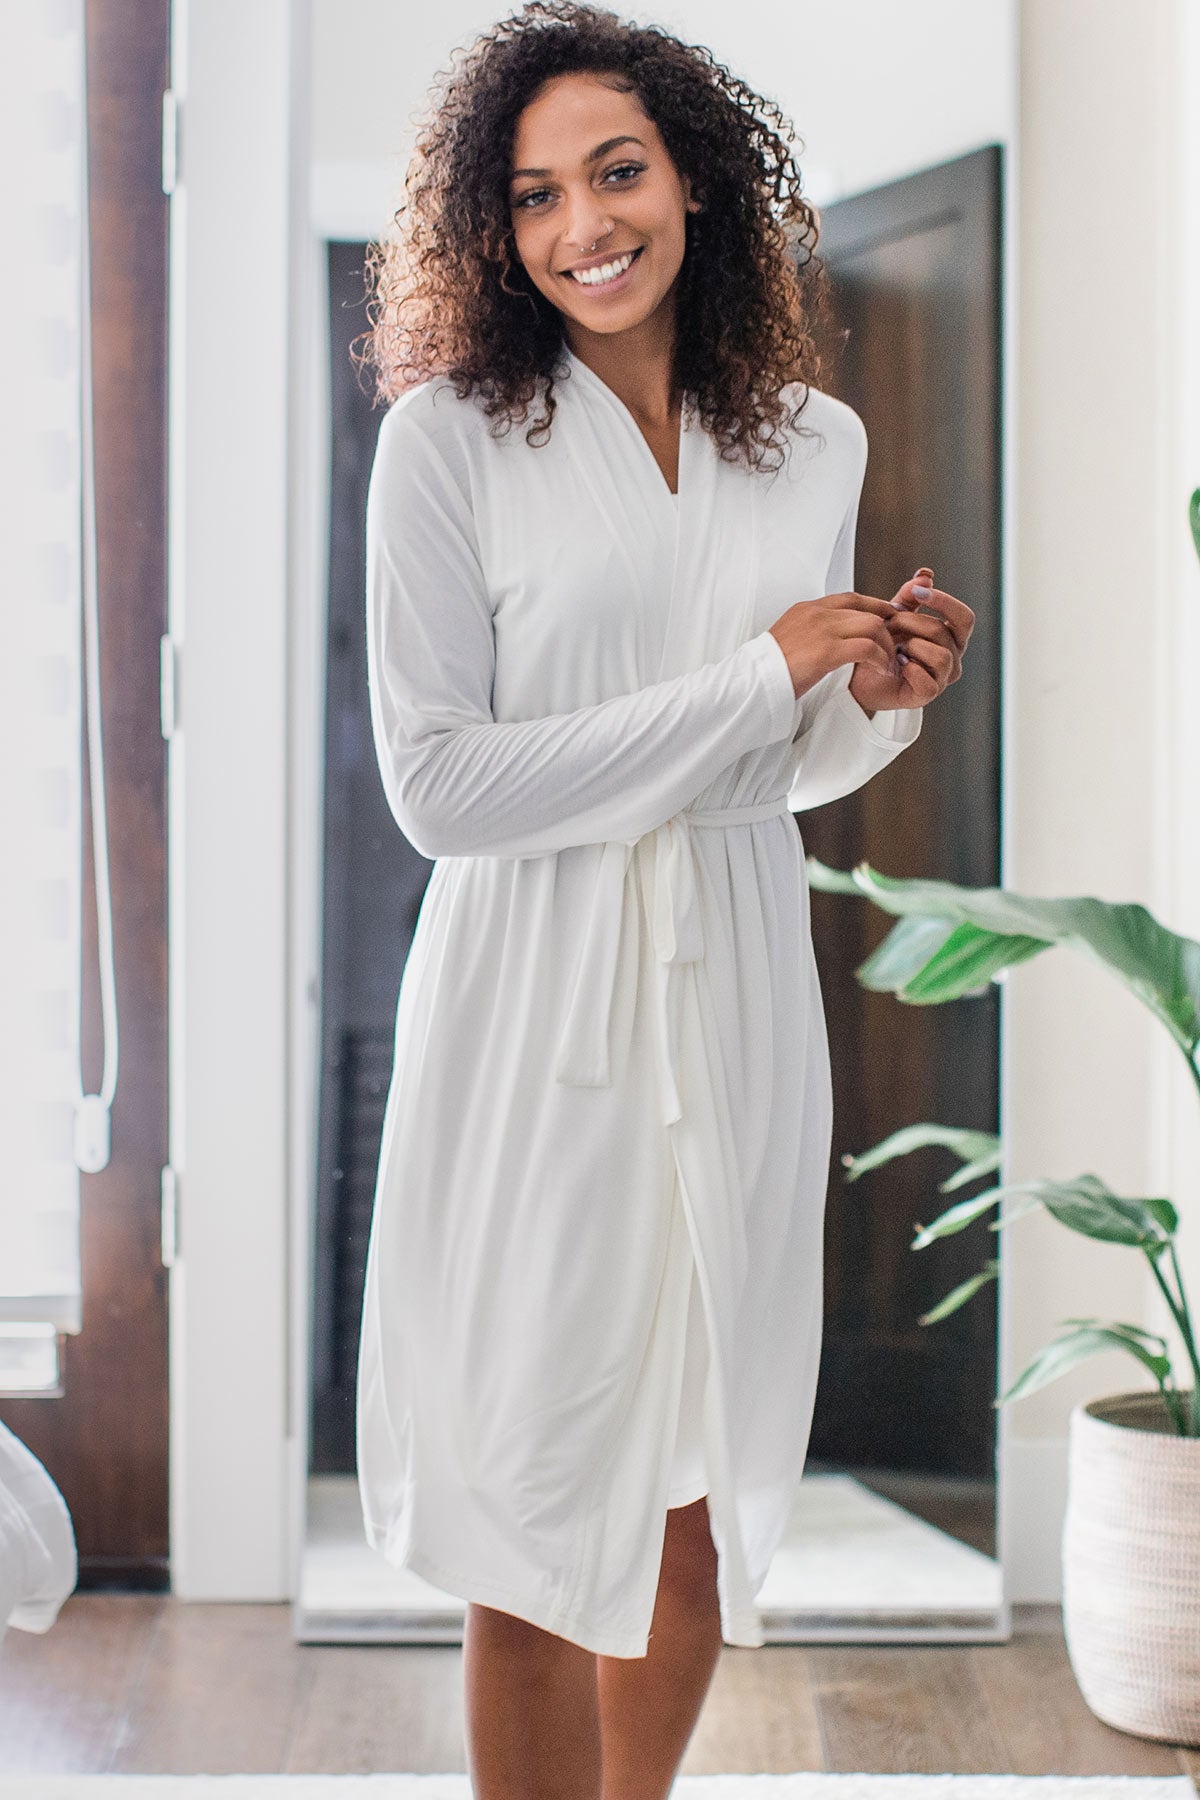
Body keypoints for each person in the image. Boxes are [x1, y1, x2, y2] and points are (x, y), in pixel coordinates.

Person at [352, 3, 974, 1793]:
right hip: (531, 997)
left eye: (614, 172)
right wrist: (753, 674)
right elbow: (438, 788)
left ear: (694, 179)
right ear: (495, 226)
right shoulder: (452, 444)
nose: (581, 226)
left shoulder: (816, 446)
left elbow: (772, 773)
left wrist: (868, 705)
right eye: (535, 195)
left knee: (693, 1498)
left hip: (736, 982)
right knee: (534, 1512)